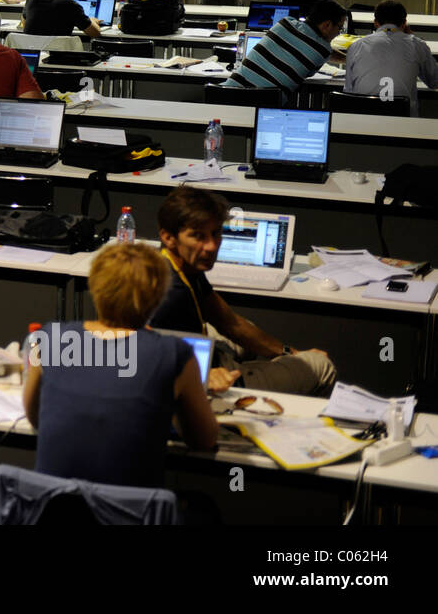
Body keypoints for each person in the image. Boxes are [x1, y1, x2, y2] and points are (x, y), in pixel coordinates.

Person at [24, 242, 218, 489]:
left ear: (95, 287)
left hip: (53, 510)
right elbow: (203, 440)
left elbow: (35, 418)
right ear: (159, 296)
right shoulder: (174, 354)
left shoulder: (49, 339)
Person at [154, 186, 337, 396]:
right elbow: (132, 360)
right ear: (168, 237)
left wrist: (289, 353)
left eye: (215, 233)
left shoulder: (183, 264)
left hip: (196, 358)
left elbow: (229, 322)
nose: (212, 246)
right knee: (321, 366)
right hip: (204, 382)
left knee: (247, 331)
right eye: (198, 236)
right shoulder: (166, 295)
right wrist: (205, 377)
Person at [222, 0, 347, 105]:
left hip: (226, 95)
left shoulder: (284, 23)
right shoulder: (322, 51)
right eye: (339, 28)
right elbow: (314, 65)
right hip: (264, 108)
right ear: (327, 25)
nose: (338, 33)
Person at [344, 0, 438, 116]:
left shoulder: (356, 46)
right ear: (404, 23)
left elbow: (348, 91)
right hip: (404, 123)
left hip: (363, 121)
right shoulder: (417, 45)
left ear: (375, 23)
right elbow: (435, 82)